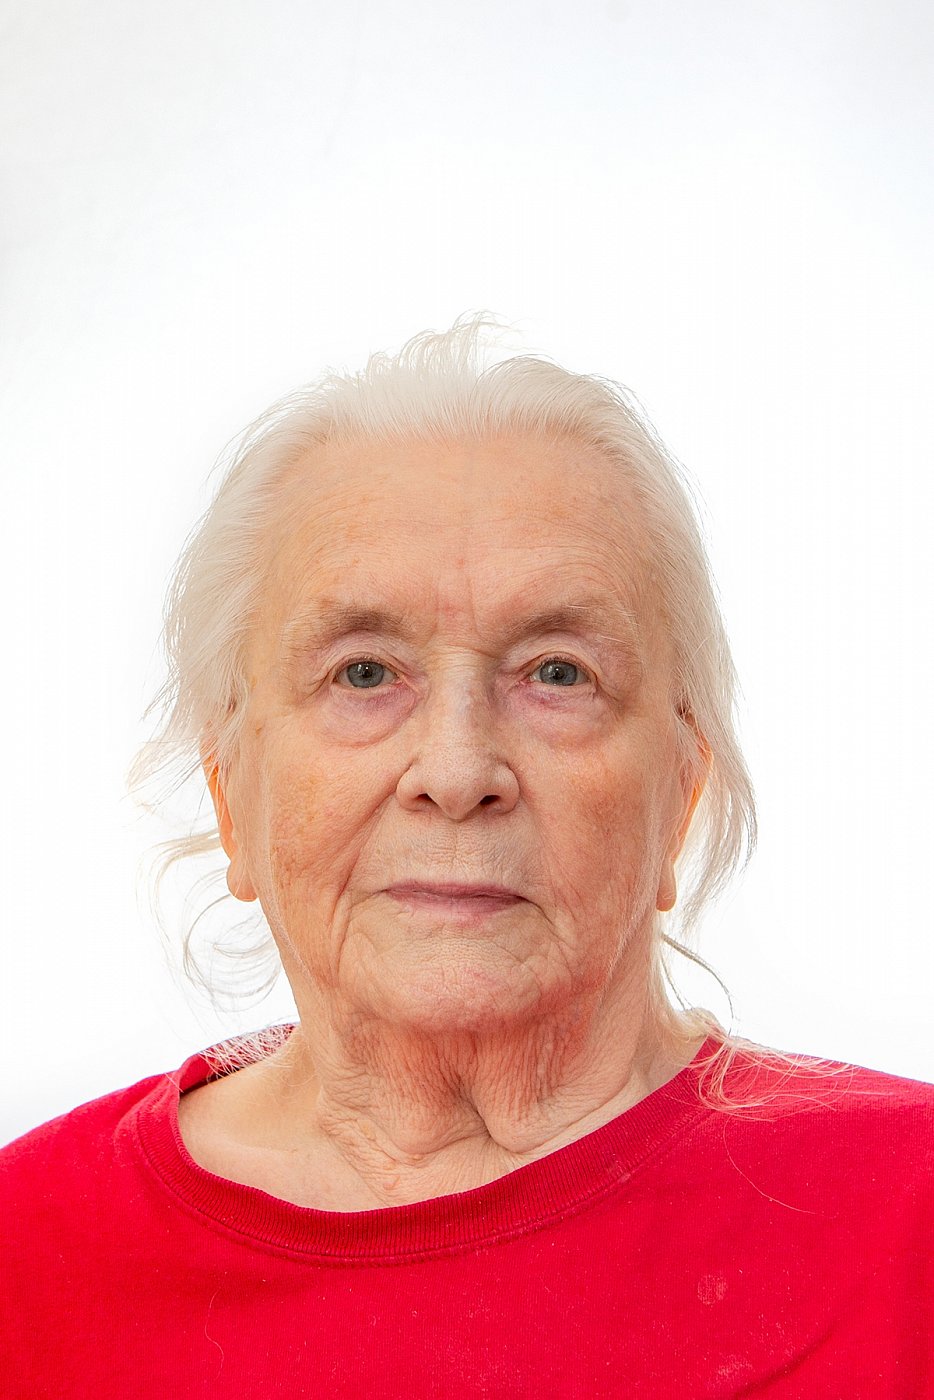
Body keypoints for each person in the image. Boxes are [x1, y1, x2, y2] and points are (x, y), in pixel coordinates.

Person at [2, 314, 931, 1398]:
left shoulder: (908, 1221)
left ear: (681, 789)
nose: (455, 770)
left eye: (557, 673)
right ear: (230, 792)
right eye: (362, 673)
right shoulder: (28, 1259)